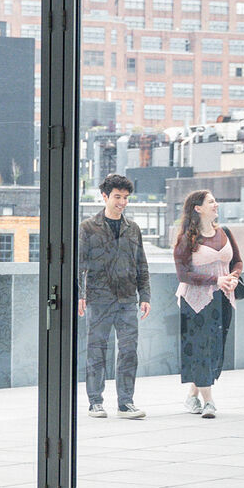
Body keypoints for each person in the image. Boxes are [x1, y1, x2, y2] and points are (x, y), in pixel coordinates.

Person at [79, 173, 152, 420]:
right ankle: (95, 402)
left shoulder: (133, 229)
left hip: (127, 299)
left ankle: (126, 403)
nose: (122, 202)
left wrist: (146, 295)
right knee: (96, 350)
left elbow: (141, 263)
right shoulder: (88, 228)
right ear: (105, 196)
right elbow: (79, 265)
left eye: (125, 197)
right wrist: (79, 294)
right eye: (117, 197)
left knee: (129, 351)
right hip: (98, 299)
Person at [172, 189, 242, 419]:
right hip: (195, 300)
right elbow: (183, 275)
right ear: (197, 208)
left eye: (215, 201)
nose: (216, 204)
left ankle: (193, 395)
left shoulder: (225, 232)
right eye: (211, 202)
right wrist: (215, 279)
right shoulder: (186, 239)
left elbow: (237, 261)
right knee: (201, 348)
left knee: (215, 349)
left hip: (223, 297)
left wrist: (232, 277)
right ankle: (208, 401)